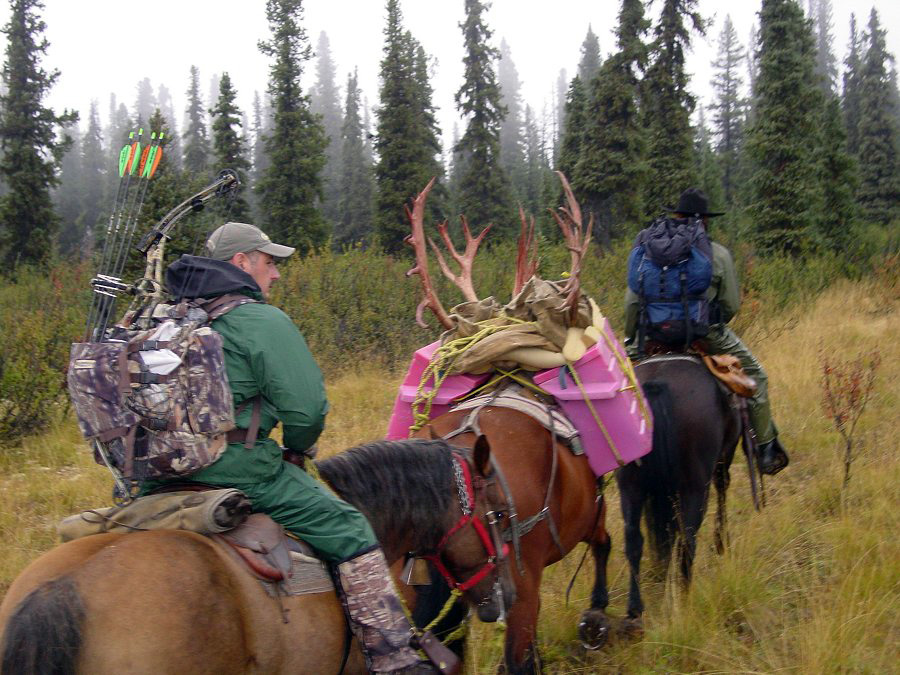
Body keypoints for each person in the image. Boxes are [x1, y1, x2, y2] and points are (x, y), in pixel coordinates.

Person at [157, 221, 439, 673]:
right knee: (350, 527)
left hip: (157, 476)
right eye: (269, 262)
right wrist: (294, 450)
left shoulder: (165, 318)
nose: (275, 273)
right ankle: (394, 658)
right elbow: (306, 410)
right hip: (238, 469)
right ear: (241, 262)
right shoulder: (260, 320)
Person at [623, 189, 789, 475]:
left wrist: (632, 339)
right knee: (757, 377)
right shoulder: (717, 254)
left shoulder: (649, 251)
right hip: (704, 336)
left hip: (652, 337)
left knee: (616, 384)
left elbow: (631, 303)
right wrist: (710, 325)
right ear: (705, 220)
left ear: (677, 215)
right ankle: (765, 449)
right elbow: (730, 305)